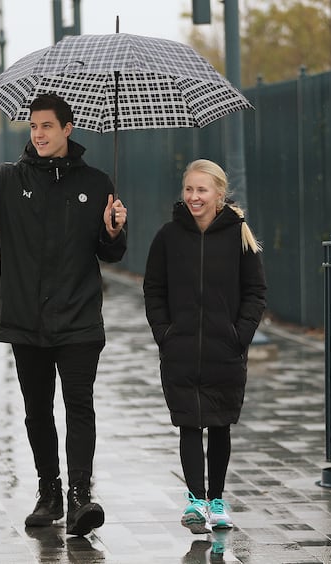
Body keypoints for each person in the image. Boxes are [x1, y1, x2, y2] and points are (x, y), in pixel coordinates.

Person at [0, 93, 127, 537]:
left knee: (79, 407)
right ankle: (49, 492)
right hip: (26, 320)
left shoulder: (97, 183)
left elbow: (111, 251)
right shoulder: (7, 179)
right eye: (33, 127)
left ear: (67, 129)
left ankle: (80, 498)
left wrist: (115, 230)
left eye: (46, 126)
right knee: (37, 411)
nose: (38, 134)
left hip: (79, 320)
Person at [142, 159, 266, 534]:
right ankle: (195, 501)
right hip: (180, 351)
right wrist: (165, 333)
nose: (194, 197)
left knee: (220, 425)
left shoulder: (238, 235)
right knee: (189, 425)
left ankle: (217, 500)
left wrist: (239, 335)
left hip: (223, 351)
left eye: (202, 190)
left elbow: (255, 292)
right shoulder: (168, 236)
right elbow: (154, 289)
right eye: (189, 189)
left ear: (219, 194)